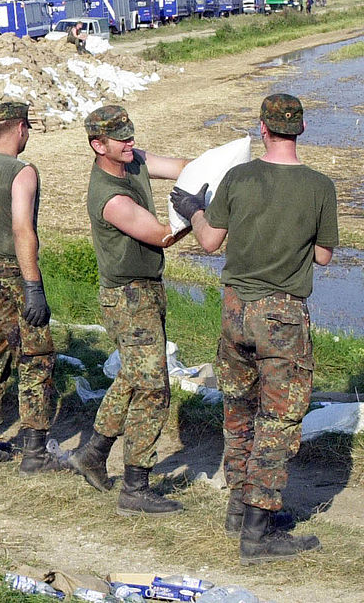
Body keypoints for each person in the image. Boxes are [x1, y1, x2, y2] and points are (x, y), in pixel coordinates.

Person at [173, 94, 335, 564]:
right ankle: (258, 532)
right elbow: (323, 256)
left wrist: (196, 208)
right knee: (278, 420)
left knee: (239, 411)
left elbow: (208, 241)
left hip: (233, 310)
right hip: (282, 316)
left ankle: (237, 511)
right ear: (300, 130)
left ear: (263, 129)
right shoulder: (319, 186)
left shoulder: (238, 177)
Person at [68, 105, 191, 515]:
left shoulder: (132, 160)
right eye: (121, 138)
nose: (130, 142)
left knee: (134, 378)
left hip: (146, 290)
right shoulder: (109, 197)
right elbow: (162, 235)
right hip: (127, 297)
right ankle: (135, 485)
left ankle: (93, 454)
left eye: (130, 134)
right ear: (97, 145)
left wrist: (220, 171)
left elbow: (181, 166)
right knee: (154, 387)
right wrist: (196, 212)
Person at [0, 101, 62, 472]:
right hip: (9, 274)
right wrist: (33, 285)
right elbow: (23, 229)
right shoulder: (22, 171)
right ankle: (35, 452)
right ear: (20, 129)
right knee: (35, 359)